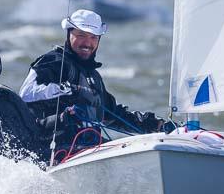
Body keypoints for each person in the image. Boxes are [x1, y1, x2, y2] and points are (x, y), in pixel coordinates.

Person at [19, 9, 168, 148]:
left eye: (93, 37)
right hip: (54, 152)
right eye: (81, 35)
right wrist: (68, 91)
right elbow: (26, 94)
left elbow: (113, 115)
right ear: (69, 34)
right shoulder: (53, 62)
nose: (87, 43)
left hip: (89, 150)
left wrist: (156, 125)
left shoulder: (93, 76)